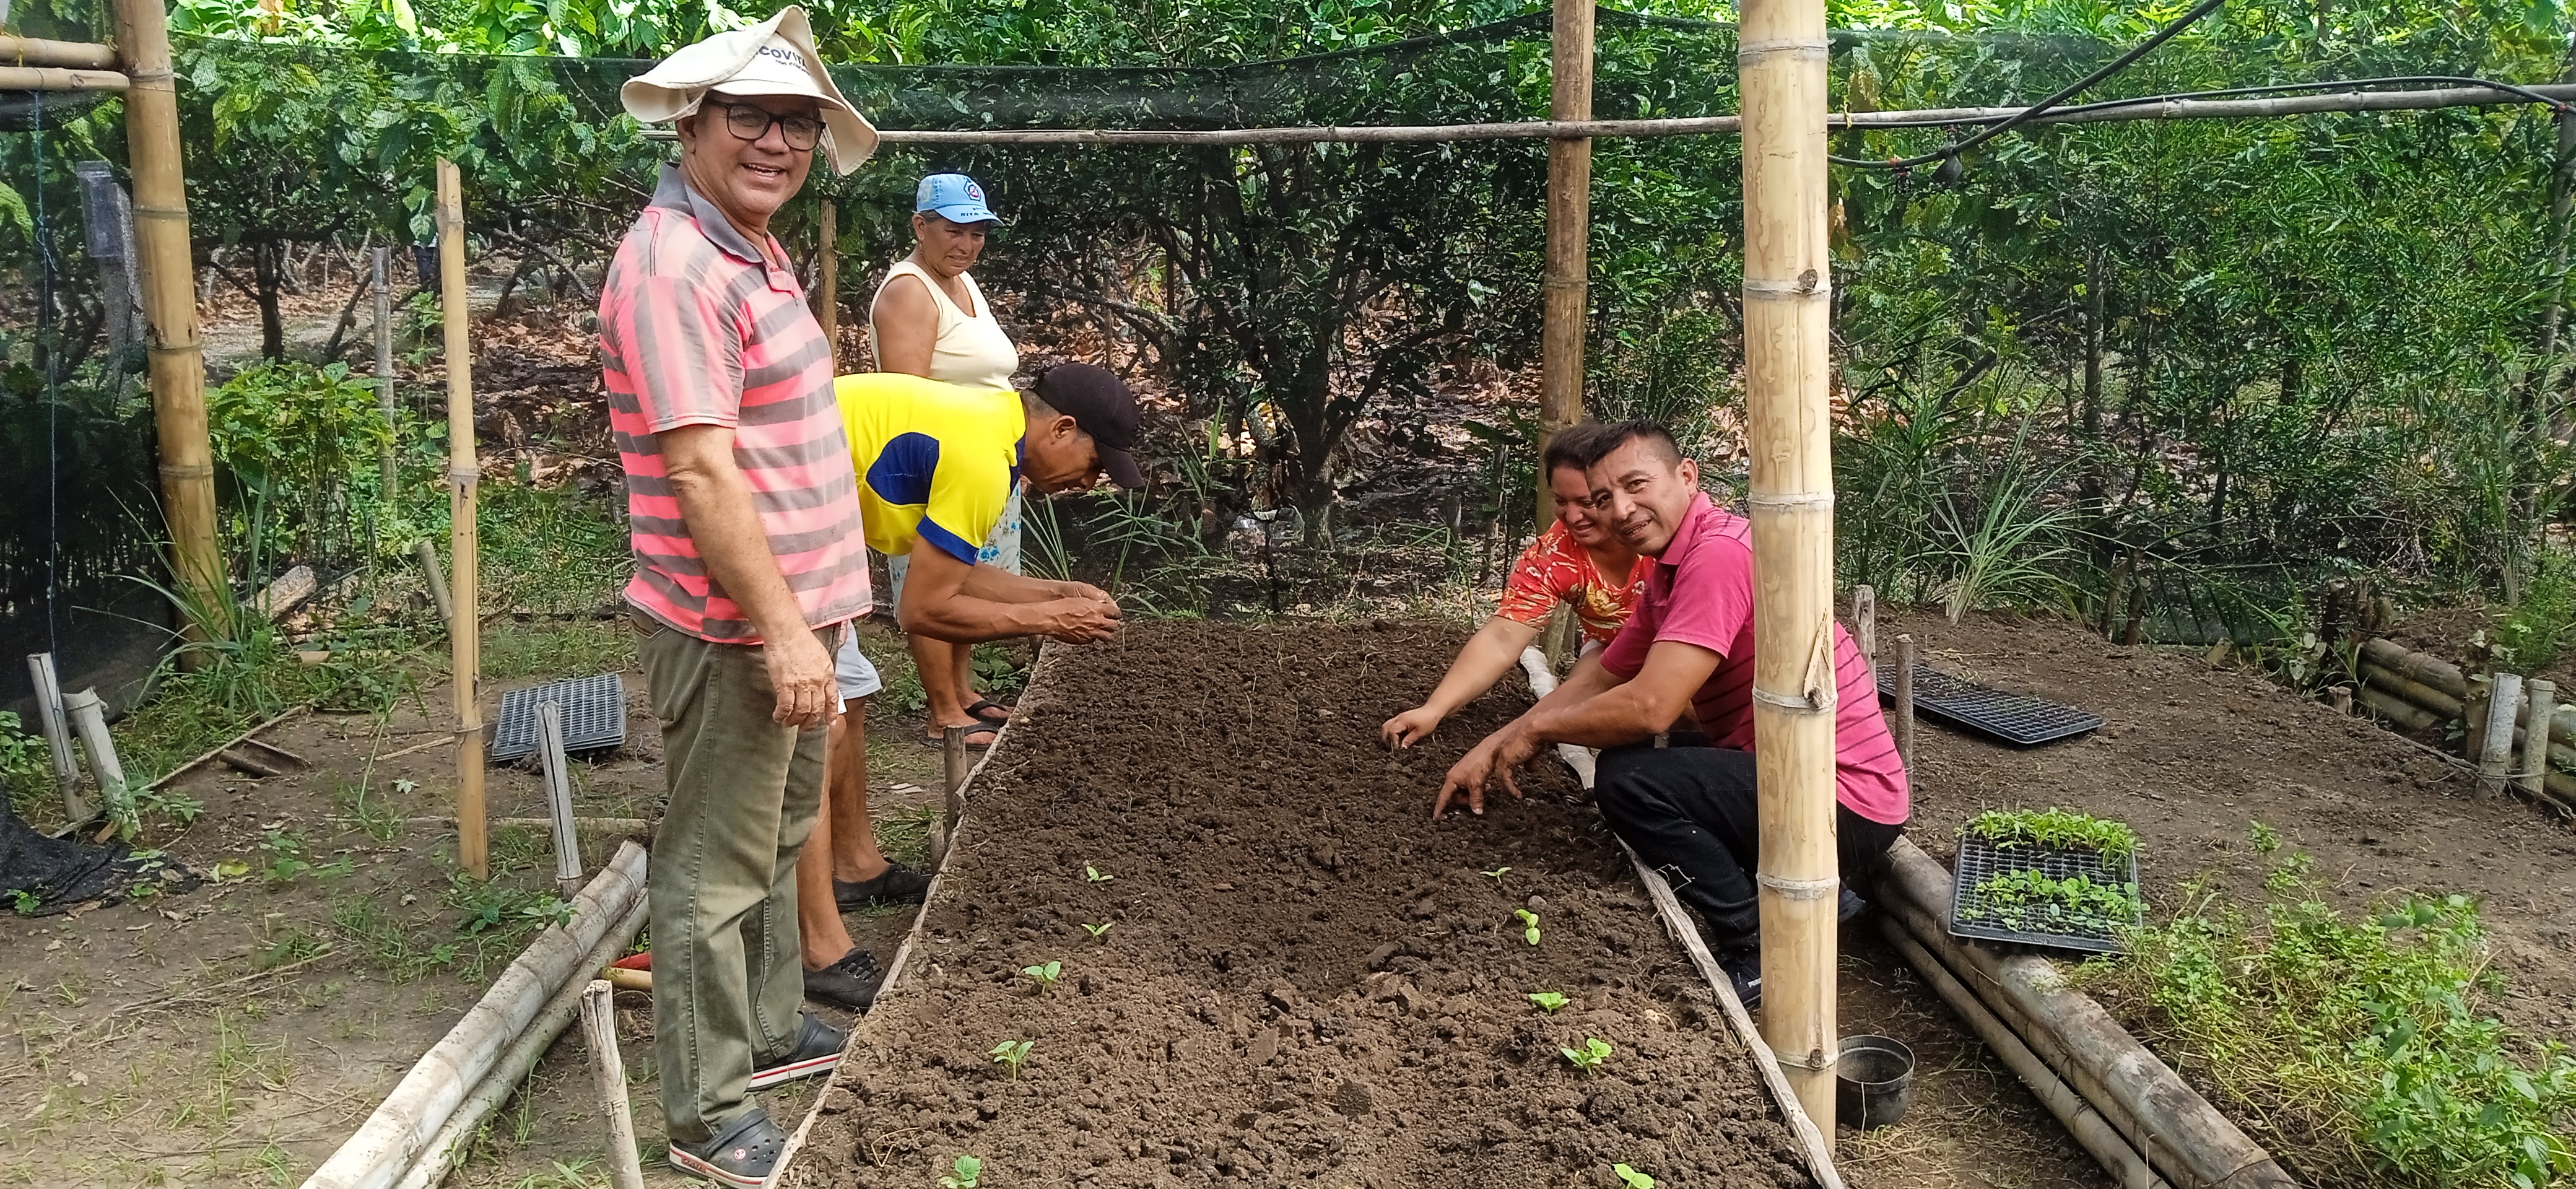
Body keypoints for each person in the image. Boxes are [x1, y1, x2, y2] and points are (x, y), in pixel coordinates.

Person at [604, 12, 878, 1184]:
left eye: (799, 123)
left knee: (777, 837)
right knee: (713, 871)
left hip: (793, 620)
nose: (778, 142)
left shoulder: (748, 248)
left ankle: (767, 1032)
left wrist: (814, 622)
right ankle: (709, 1118)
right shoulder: (673, 267)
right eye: (752, 118)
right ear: (691, 125)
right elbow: (702, 470)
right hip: (735, 632)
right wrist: (780, 630)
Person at [1430, 421, 1908, 1009]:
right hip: (1806, 782)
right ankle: (1816, 894)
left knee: (1628, 780)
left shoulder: (1717, 556)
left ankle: (1757, 944)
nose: (1621, 510)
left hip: (1842, 804)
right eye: (1604, 498)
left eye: (1637, 485)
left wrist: (1538, 729)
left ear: (1687, 476)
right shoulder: (1671, 570)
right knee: (1640, 764)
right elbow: (1599, 678)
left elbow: (1651, 707)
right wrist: (1493, 744)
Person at [871, 172, 1025, 750]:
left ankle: (963, 691)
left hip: (983, 459)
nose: (966, 244)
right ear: (921, 226)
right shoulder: (910, 291)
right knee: (935, 581)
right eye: (954, 231)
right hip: (936, 469)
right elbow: (909, 398)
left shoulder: (960, 282)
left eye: (977, 233)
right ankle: (942, 709)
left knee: (966, 580)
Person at [1382, 422, 1650, 749]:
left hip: (1685, 648)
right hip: (1612, 650)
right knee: (1576, 711)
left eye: (1587, 502)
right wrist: (1434, 709)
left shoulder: (1659, 537)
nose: (1573, 517)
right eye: (1561, 501)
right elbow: (1502, 638)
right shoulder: (1553, 556)